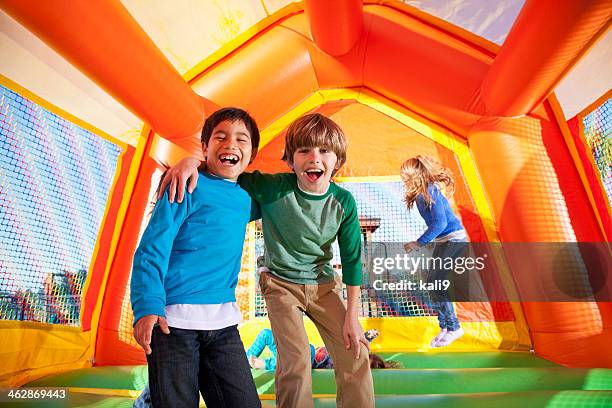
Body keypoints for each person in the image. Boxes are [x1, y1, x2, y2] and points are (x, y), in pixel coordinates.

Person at [160, 113, 375, 408]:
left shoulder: (343, 202)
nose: (314, 159)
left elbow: (352, 260)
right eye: (304, 151)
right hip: (280, 284)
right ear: (290, 160)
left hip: (323, 286)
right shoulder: (273, 188)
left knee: (356, 352)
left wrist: (352, 317)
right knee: (296, 359)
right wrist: (191, 162)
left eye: (324, 151)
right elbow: (225, 168)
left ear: (337, 161)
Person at [131, 108, 262, 408]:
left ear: (252, 154)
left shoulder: (246, 198)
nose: (231, 144)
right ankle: (151, 398)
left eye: (242, 139)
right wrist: (146, 306)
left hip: (223, 326)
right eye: (220, 137)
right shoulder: (187, 185)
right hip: (172, 323)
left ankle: (151, 397)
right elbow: (152, 248)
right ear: (205, 148)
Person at [400, 155, 467, 348]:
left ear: (417, 176)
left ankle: (454, 327)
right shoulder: (421, 195)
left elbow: (441, 223)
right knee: (432, 282)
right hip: (443, 241)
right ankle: (445, 327)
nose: (404, 180)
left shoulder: (430, 191)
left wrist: (419, 242)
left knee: (436, 280)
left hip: (454, 239)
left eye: (406, 176)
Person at [247, 328, 397, 370]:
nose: (356, 357)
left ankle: (265, 364)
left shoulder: (341, 364)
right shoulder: (345, 350)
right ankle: (244, 361)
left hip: (305, 361)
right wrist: (368, 335)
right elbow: (356, 343)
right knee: (266, 334)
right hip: (295, 353)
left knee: (310, 350)